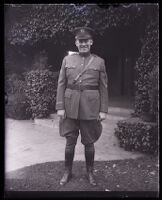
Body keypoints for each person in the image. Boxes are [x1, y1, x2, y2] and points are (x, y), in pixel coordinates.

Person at [56, 27, 108, 186]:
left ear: (91, 42)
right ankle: (67, 171)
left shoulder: (99, 61)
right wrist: (60, 106)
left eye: (86, 41)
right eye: (81, 41)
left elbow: (103, 87)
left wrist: (103, 109)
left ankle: (90, 172)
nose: (83, 44)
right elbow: (61, 84)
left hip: (90, 108)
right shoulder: (67, 60)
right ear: (76, 43)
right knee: (69, 142)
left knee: (89, 142)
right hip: (70, 106)